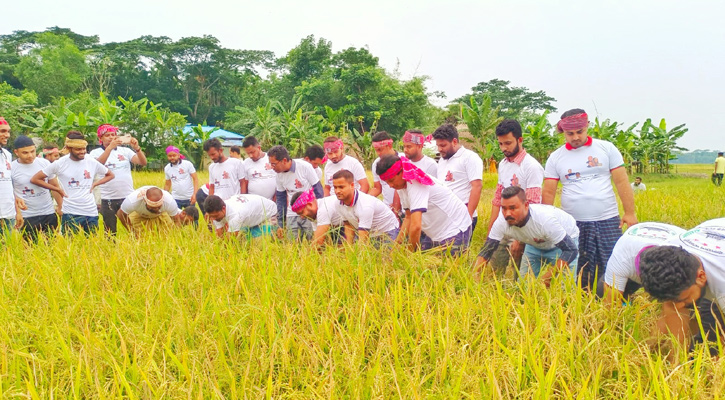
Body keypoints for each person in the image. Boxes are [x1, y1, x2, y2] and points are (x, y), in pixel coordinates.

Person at [542, 109, 638, 290]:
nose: (575, 137)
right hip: (573, 223)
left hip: (607, 220)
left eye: (580, 132)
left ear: (587, 127)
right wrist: (547, 222)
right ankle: (580, 300)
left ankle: (618, 300)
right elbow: (548, 193)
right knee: (579, 266)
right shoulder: (556, 158)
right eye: (570, 134)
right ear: (563, 132)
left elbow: (622, 182)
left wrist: (630, 213)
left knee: (614, 262)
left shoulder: (606, 149)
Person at [638, 220, 725, 350]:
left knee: (714, 337)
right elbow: (673, 311)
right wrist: (677, 365)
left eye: (683, 299)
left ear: (701, 277)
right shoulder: (666, 256)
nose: (678, 306)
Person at [475, 186, 579, 285]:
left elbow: (571, 250)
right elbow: (487, 250)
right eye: (504, 208)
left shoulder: (544, 220)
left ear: (526, 205)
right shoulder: (501, 222)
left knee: (565, 290)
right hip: (534, 244)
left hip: (561, 246)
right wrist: (474, 277)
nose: (507, 214)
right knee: (524, 286)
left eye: (512, 208)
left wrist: (547, 278)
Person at [377, 154, 472, 256]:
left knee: (445, 269)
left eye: (391, 180)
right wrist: (396, 248)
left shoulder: (415, 183)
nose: (390, 186)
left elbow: (416, 226)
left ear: (402, 172)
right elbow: (408, 217)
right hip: (435, 232)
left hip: (455, 229)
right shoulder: (401, 186)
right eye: (387, 182)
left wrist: (408, 255)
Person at [488, 119, 545, 275]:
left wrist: (521, 239)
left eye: (508, 143)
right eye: (500, 144)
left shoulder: (531, 166)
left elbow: (533, 204)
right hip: (504, 225)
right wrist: (491, 228)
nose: (503, 148)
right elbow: (498, 198)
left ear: (520, 140)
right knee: (494, 269)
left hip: (523, 228)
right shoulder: (503, 164)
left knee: (519, 274)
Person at [31, 131, 115, 235]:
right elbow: (35, 179)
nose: (82, 152)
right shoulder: (60, 163)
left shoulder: (91, 161)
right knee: (71, 246)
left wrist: (95, 184)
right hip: (71, 213)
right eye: (78, 149)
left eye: (84, 149)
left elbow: (110, 175)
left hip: (91, 212)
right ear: (69, 149)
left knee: (91, 245)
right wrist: (57, 189)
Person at [598, 222, 685, 303]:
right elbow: (610, 306)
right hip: (633, 249)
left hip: (675, 247)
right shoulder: (622, 259)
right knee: (601, 291)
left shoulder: (685, 255)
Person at [89, 124, 147, 235]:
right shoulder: (94, 153)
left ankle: (137, 244)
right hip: (108, 198)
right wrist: (110, 148)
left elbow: (143, 162)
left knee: (134, 227)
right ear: (100, 138)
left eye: (113, 135)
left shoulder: (125, 151)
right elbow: (98, 165)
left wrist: (137, 148)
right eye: (107, 135)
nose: (111, 137)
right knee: (110, 231)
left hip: (128, 196)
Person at [432, 124, 483, 230]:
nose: (440, 149)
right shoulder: (442, 160)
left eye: (443, 145)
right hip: (445, 217)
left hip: (463, 215)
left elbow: (477, 186)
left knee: (459, 247)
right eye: (438, 145)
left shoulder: (469, 158)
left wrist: (468, 216)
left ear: (454, 142)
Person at [11, 135, 62, 240]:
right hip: (27, 216)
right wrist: (17, 213)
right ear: (16, 152)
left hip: (48, 213)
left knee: (52, 247)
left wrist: (61, 206)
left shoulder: (44, 163)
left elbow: (54, 186)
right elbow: (10, 193)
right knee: (30, 250)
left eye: (32, 151)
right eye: (25, 153)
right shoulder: (12, 168)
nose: (30, 155)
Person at [268, 145, 324, 240]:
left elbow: (318, 190)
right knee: (292, 243)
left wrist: (319, 214)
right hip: (292, 213)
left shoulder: (304, 166)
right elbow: (281, 198)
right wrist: (281, 223)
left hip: (308, 212)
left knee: (313, 240)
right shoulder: (278, 175)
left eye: (274, 164)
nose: (272, 167)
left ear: (284, 160)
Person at [332, 170, 399, 245]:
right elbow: (348, 225)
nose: (337, 191)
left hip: (387, 231)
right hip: (367, 231)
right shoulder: (337, 203)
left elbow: (363, 239)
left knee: (385, 256)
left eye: (341, 187)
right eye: (335, 187)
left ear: (352, 186)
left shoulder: (365, 205)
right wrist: (349, 249)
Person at [117, 186, 188, 234]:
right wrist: (131, 231)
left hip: (161, 217)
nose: (156, 209)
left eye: (158, 207)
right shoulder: (133, 200)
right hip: (139, 216)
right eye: (153, 207)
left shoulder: (169, 201)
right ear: (145, 201)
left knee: (164, 237)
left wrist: (175, 234)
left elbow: (176, 220)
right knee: (139, 240)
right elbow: (121, 214)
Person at [204, 194, 277, 239]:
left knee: (260, 244)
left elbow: (230, 241)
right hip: (251, 218)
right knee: (242, 241)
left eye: (215, 216)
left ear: (223, 208)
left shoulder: (236, 214)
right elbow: (220, 235)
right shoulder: (217, 211)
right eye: (211, 216)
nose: (213, 219)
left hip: (270, 214)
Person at [369, 131, 401, 212]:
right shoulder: (376, 164)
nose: (378, 153)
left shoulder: (404, 159)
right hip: (388, 209)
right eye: (376, 150)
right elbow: (377, 188)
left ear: (389, 145)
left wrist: (396, 206)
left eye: (380, 150)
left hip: (405, 208)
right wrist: (363, 199)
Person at [241, 136, 276, 200]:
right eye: (248, 153)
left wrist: (275, 200)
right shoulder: (245, 163)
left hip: (271, 202)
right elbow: (245, 183)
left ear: (259, 148)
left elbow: (279, 181)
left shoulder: (271, 159)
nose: (250, 156)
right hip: (253, 202)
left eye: (252, 152)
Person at [0, 117, 17, 234]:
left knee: (9, 250)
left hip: (8, 214)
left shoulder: (7, 155)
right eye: (2, 131)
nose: (7, 135)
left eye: (8, 131)